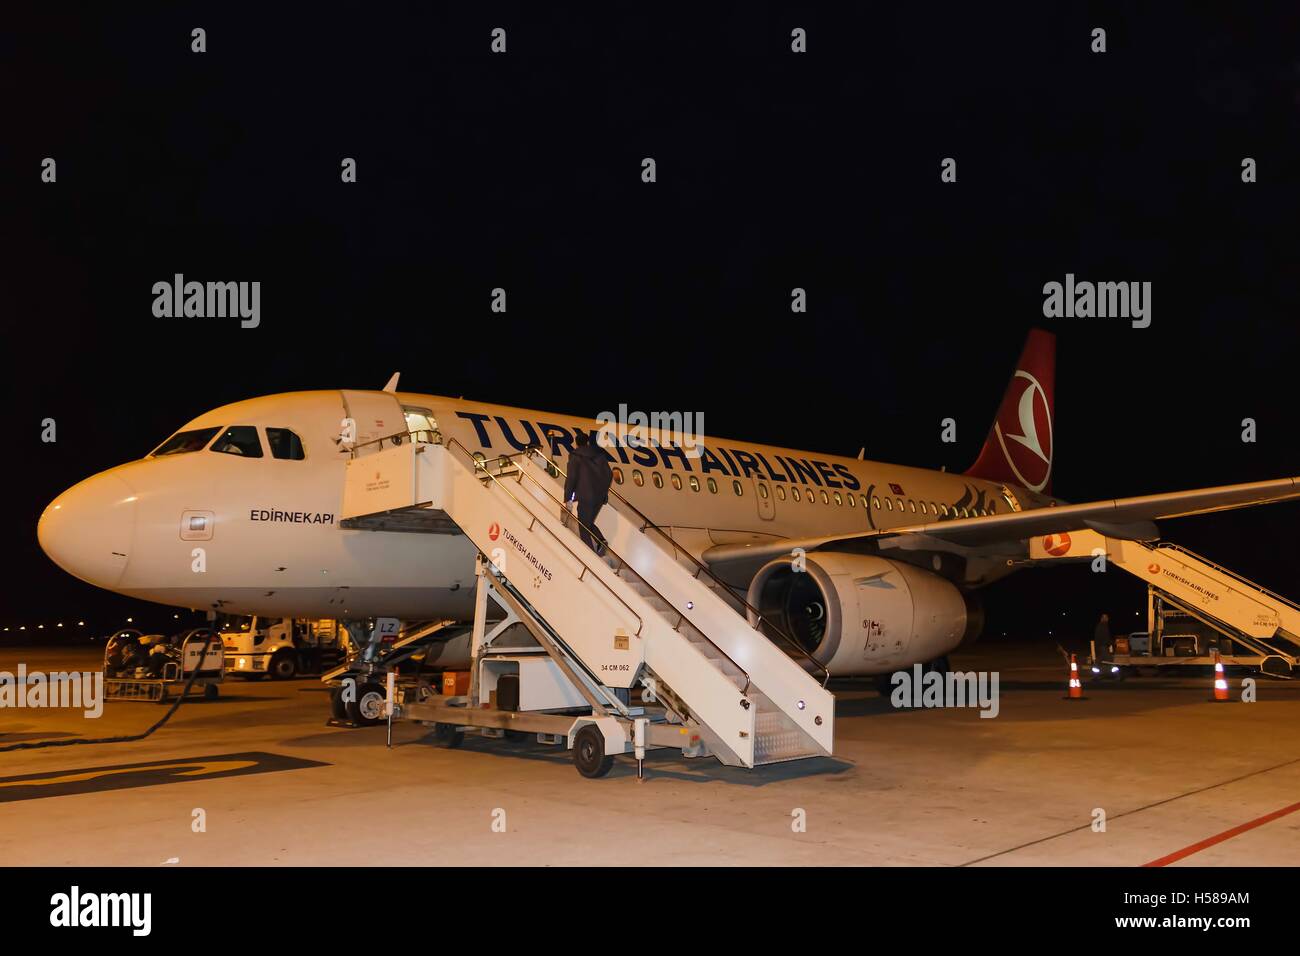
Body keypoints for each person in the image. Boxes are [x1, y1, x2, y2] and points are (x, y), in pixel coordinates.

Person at [563, 431, 613, 555]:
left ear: (577, 443)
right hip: (599, 497)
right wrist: (604, 492)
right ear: (587, 442)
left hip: (586, 497)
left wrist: (568, 498)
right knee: (588, 522)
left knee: (583, 526)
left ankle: (589, 554)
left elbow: (572, 478)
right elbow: (609, 474)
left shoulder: (575, 456)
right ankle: (600, 540)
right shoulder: (599, 456)